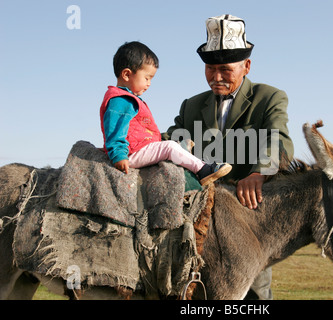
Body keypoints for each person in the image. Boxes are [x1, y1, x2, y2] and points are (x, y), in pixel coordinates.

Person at [162, 15, 294, 299]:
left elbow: (278, 139)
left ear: (246, 66)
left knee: (253, 293)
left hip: (246, 222)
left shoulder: (269, 98)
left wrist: (258, 173)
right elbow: (174, 135)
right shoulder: (192, 105)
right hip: (197, 222)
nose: (216, 77)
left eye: (225, 69)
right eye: (210, 69)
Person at [100, 41, 231, 186]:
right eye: (147, 78)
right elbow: (115, 130)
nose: (149, 83)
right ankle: (203, 169)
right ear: (126, 74)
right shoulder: (120, 101)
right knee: (169, 147)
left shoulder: (127, 99)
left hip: (136, 148)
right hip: (131, 154)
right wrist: (119, 155)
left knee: (172, 145)